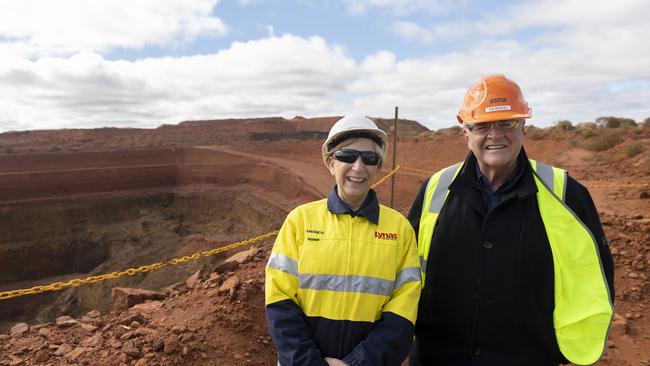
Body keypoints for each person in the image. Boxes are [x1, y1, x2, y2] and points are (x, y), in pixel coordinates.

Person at [408, 74, 614, 366]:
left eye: (507, 122)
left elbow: (596, 278)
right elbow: (407, 274)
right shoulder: (434, 190)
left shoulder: (566, 194)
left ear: (523, 127)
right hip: (438, 357)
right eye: (481, 125)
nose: (495, 134)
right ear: (466, 132)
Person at [265, 115, 421, 366]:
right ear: (330, 162)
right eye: (347, 156)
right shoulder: (300, 222)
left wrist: (358, 363)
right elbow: (279, 303)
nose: (358, 167)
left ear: (378, 166)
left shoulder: (399, 230)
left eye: (369, 158)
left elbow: (403, 312)